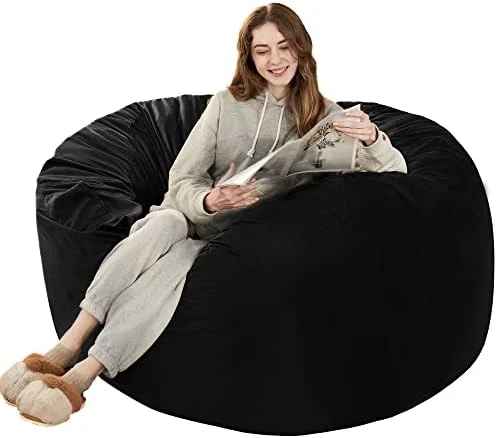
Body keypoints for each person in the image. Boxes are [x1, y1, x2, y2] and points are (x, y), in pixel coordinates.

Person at [0, 2, 407, 427]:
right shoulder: (226, 104)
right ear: (249, 57)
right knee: (161, 226)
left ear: (302, 48)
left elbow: (397, 173)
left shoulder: (327, 118)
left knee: (172, 269)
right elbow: (182, 178)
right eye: (262, 50)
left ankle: (85, 374)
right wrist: (210, 201)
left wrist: (373, 138)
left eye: (285, 47)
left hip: (232, 243)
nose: (275, 59)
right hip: (187, 215)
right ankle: (68, 344)